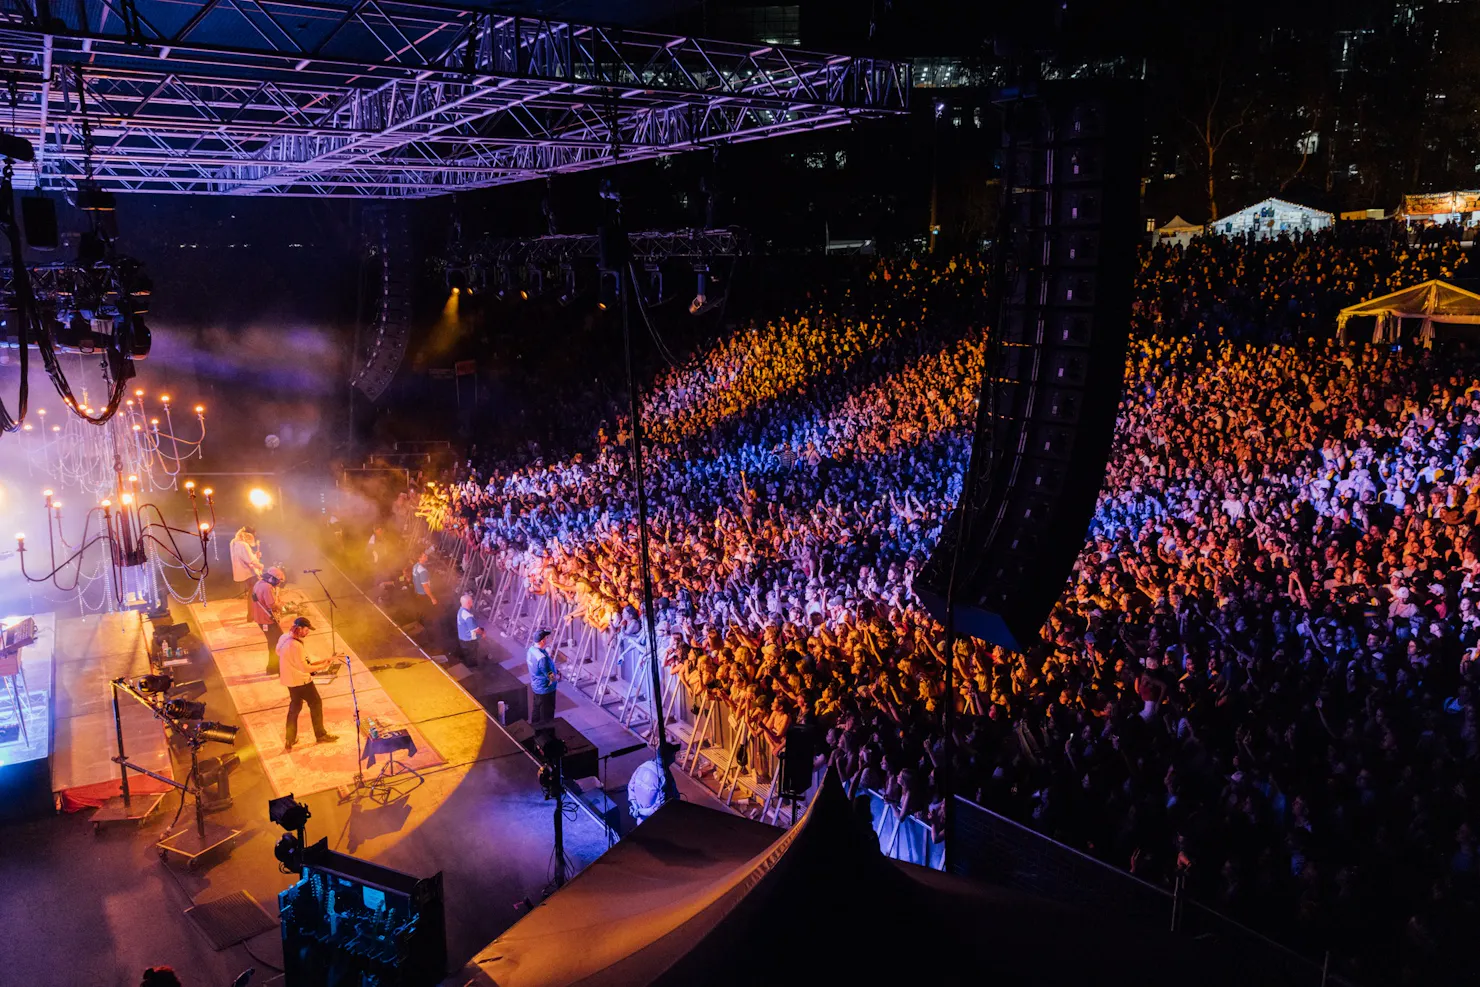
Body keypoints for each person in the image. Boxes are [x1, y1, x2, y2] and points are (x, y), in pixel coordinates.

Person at [277, 616, 339, 752]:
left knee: (295, 707)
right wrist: (322, 667)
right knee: (315, 703)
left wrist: (320, 661)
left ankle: (290, 738)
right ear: (299, 629)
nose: (308, 632)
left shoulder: (283, 638)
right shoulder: (296, 646)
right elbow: (305, 668)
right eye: (306, 630)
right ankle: (321, 735)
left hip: (289, 681)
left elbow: (280, 653)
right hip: (301, 681)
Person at [249, 566, 286, 676]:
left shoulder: (259, 583)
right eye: (278, 581)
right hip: (268, 620)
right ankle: (277, 668)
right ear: (273, 579)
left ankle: (272, 668)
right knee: (280, 643)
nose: (279, 584)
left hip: (261, 619)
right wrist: (282, 606)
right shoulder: (267, 588)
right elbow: (271, 605)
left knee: (273, 644)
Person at [527, 628, 559, 727]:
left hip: (536, 686)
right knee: (547, 716)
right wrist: (556, 677)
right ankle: (546, 737)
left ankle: (534, 731)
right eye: (546, 637)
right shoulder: (542, 658)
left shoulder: (531, 650)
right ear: (543, 641)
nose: (547, 639)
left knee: (536, 711)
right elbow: (550, 676)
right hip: (546, 689)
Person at [230, 526, 263, 604]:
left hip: (242, 571)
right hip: (248, 572)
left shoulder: (233, 542)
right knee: (253, 593)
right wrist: (260, 566)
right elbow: (250, 560)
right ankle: (251, 614)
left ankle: (252, 612)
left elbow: (244, 556)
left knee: (251, 592)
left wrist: (255, 555)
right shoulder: (243, 545)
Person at [456, 592, 484, 668]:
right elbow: (476, 630)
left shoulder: (461, 611)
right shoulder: (468, 616)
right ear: (469, 602)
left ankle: (466, 665)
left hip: (462, 638)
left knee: (466, 653)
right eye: (471, 601)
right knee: (472, 655)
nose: (472, 602)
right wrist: (482, 633)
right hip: (469, 640)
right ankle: (473, 669)